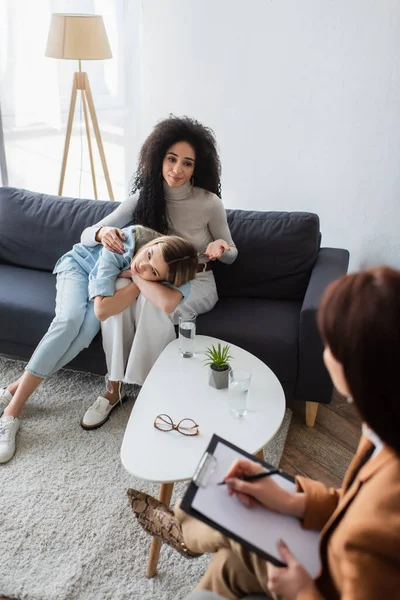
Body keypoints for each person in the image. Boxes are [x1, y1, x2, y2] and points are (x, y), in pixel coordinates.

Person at [127, 266, 400, 599]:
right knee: (233, 551)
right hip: (331, 552)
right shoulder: (383, 430)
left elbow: (373, 530)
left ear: (358, 367)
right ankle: (186, 529)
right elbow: (357, 509)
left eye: (330, 346)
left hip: (326, 580)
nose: (324, 354)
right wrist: (294, 501)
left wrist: (301, 591)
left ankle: (184, 531)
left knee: (238, 533)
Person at [80, 115, 237, 429]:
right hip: (152, 276)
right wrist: (101, 235)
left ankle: (156, 390)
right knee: (121, 300)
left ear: (198, 167)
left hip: (196, 279)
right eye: (171, 159)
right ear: (159, 158)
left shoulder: (209, 203)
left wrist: (222, 246)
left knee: (151, 304)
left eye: (187, 163)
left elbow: (232, 254)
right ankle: (113, 389)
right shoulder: (144, 197)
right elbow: (88, 233)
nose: (177, 170)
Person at [0, 225, 198, 463]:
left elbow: (167, 304)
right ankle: (12, 412)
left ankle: (12, 390)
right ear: (155, 243)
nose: (142, 265)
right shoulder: (124, 242)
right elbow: (103, 310)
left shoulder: (176, 271)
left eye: (153, 272)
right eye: (147, 255)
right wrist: (143, 280)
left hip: (102, 289)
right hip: (80, 269)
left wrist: (135, 278)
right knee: (68, 322)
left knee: (83, 337)